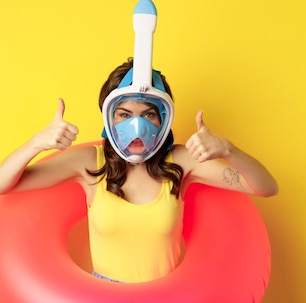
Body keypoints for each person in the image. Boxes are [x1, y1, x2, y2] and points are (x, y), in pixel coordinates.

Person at [0, 58, 279, 283]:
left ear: (163, 118)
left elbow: (267, 187)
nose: (137, 126)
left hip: (167, 296)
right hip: (104, 296)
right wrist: (37, 143)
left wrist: (228, 149)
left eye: (148, 114)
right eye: (124, 114)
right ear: (109, 118)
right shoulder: (89, 162)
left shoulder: (180, 162)